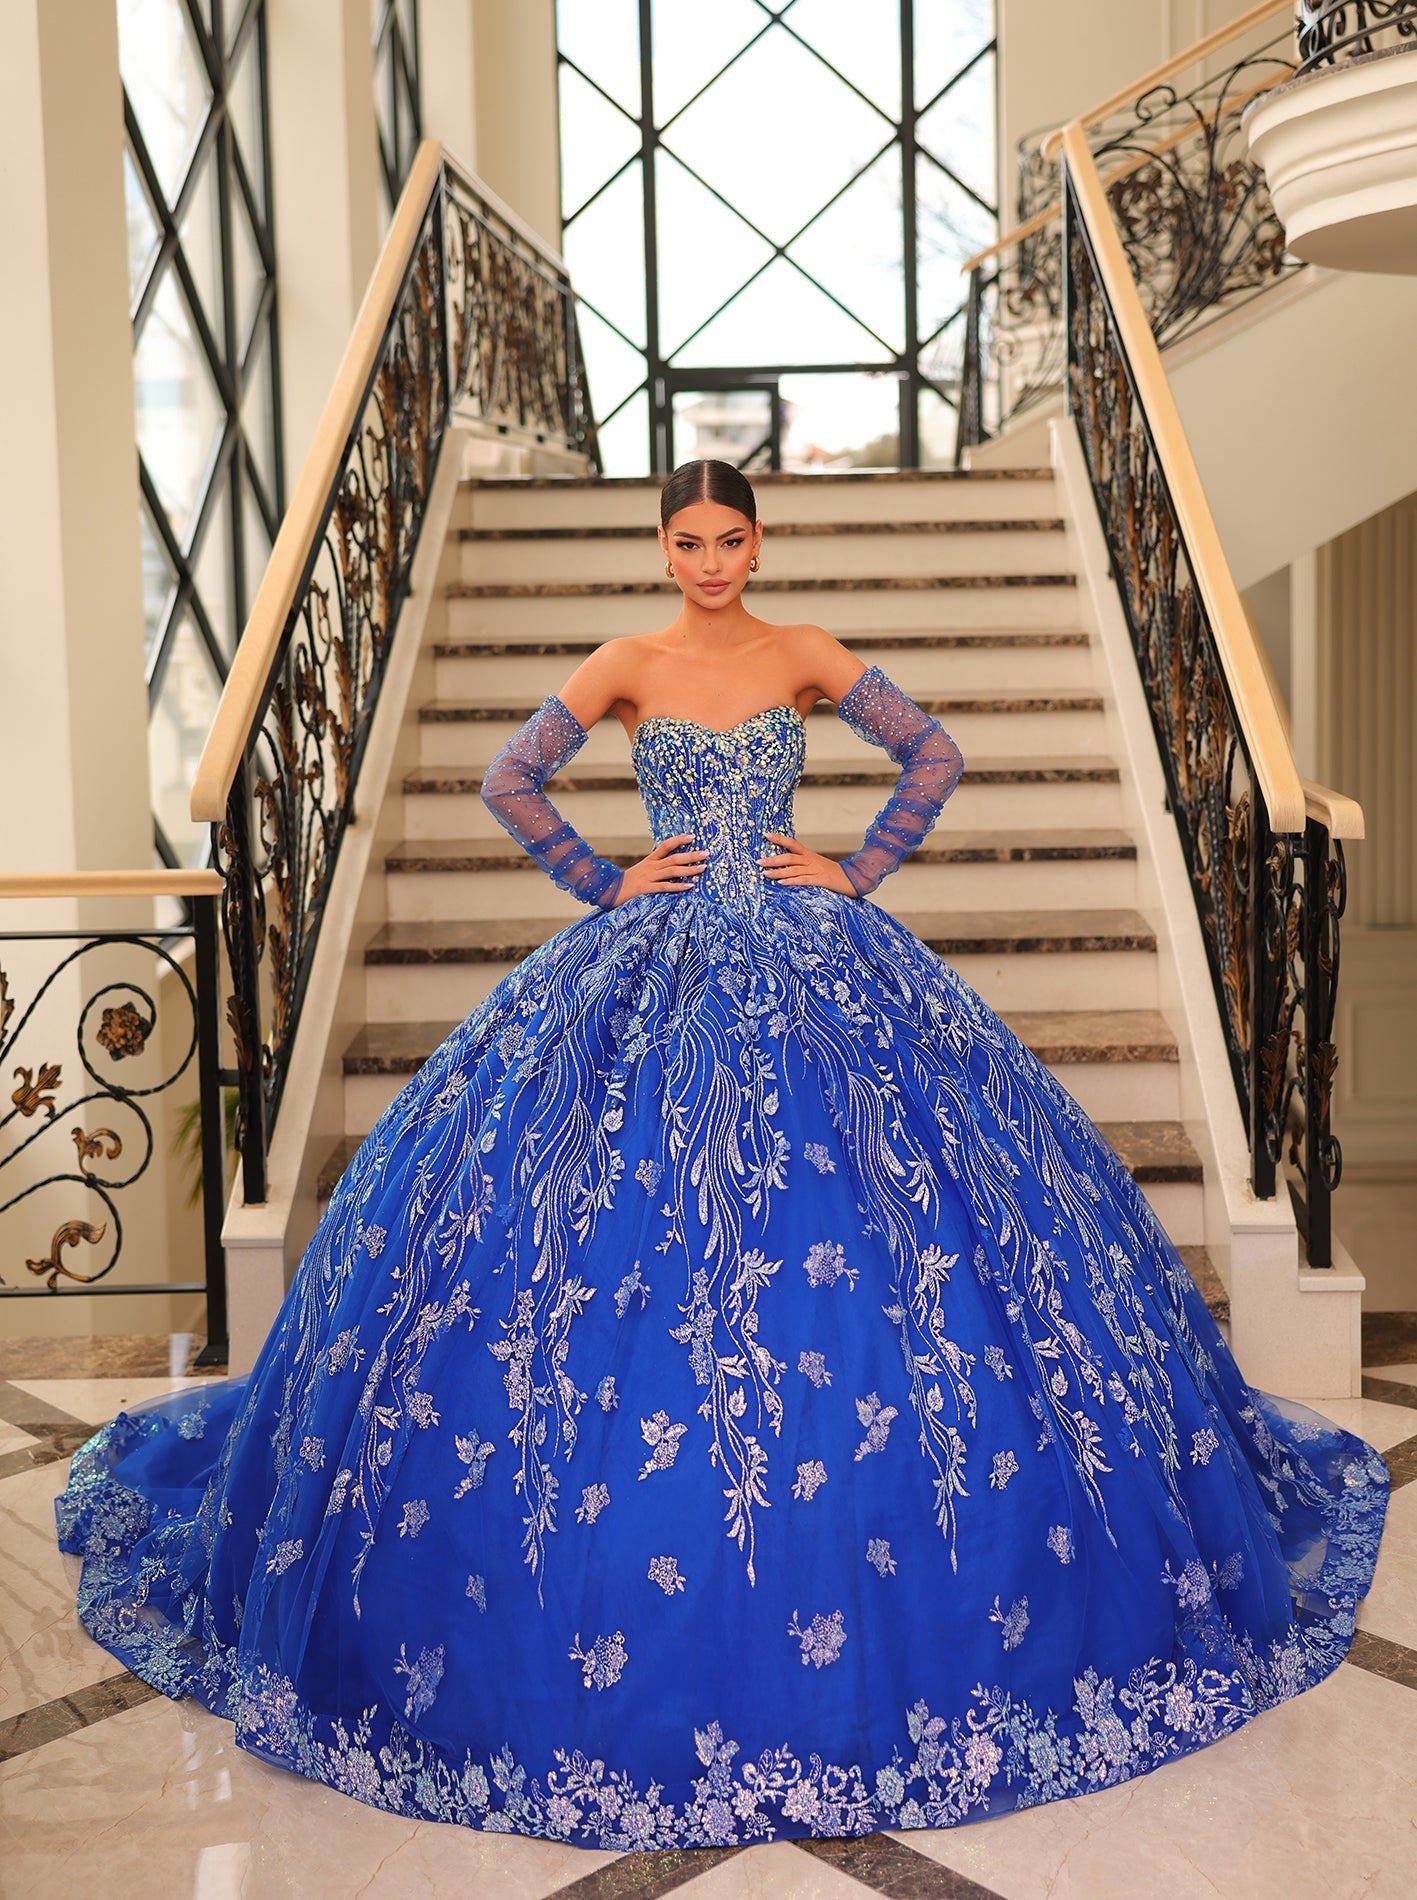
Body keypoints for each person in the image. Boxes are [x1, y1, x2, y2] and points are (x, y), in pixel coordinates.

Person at [55, 459, 1388, 1851]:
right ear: (664, 547)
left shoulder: (804, 652)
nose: (708, 560)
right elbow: (510, 778)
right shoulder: (623, 663)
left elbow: (932, 752)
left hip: (815, 948)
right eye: (687, 540)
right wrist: (603, 880)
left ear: (759, 543)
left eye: (729, 538)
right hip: (656, 949)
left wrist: (857, 868)